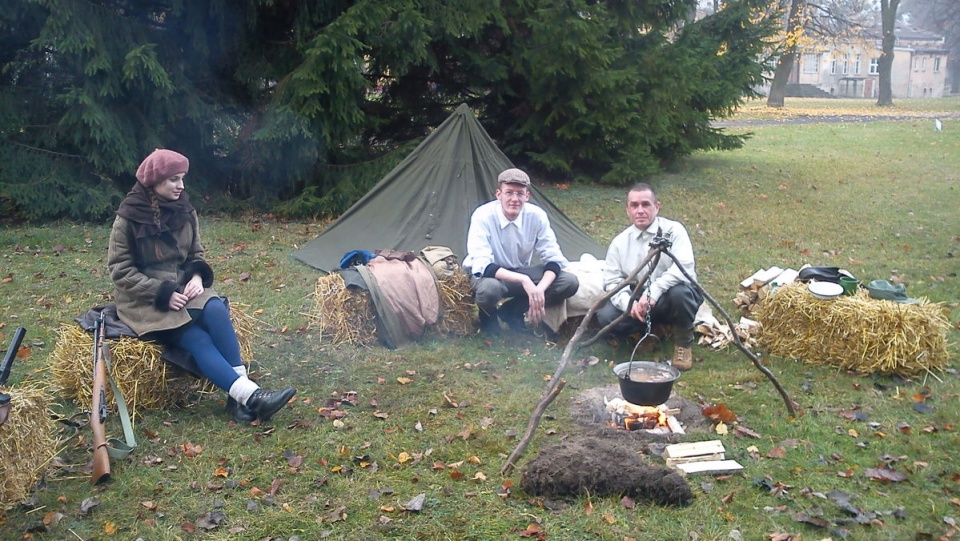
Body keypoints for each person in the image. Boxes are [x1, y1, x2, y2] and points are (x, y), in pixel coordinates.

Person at [108, 149, 296, 423]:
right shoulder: (128, 217)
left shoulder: (186, 210)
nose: (181, 186)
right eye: (173, 179)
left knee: (216, 308)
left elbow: (196, 254)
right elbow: (119, 270)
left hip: (183, 288)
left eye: (182, 178)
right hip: (144, 300)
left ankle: (239, 398)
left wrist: (196, 277)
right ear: (155, 181)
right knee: (196, 337)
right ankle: (252, 398)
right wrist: (162, 293)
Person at [597, 183, 702, 370]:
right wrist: (629, 304)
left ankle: (683, 343)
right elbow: (612, 280)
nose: (640, 210)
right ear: (627, 210)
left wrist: (653, 293)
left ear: (657, 206)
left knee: (681, 294)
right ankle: (649, 332)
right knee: (606, 316)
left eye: (646, 204)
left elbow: (684, 268)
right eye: (634, 205)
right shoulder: (619, 243)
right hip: (639, 298)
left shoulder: (674, 231)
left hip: (670, 295)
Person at [462, 168, 579, 335]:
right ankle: (488, 317)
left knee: (568, 282)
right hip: (488, 276)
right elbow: (483, 265)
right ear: (498, 194)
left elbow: (554, 259)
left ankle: (512, 311)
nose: (514, 199)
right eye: (509, 193)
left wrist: (539, 290)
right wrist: (525, 280)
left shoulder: (537, 216)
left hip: (517, 273)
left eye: (520, 193)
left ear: (527, 196)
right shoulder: (482, 216)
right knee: (489, 289)